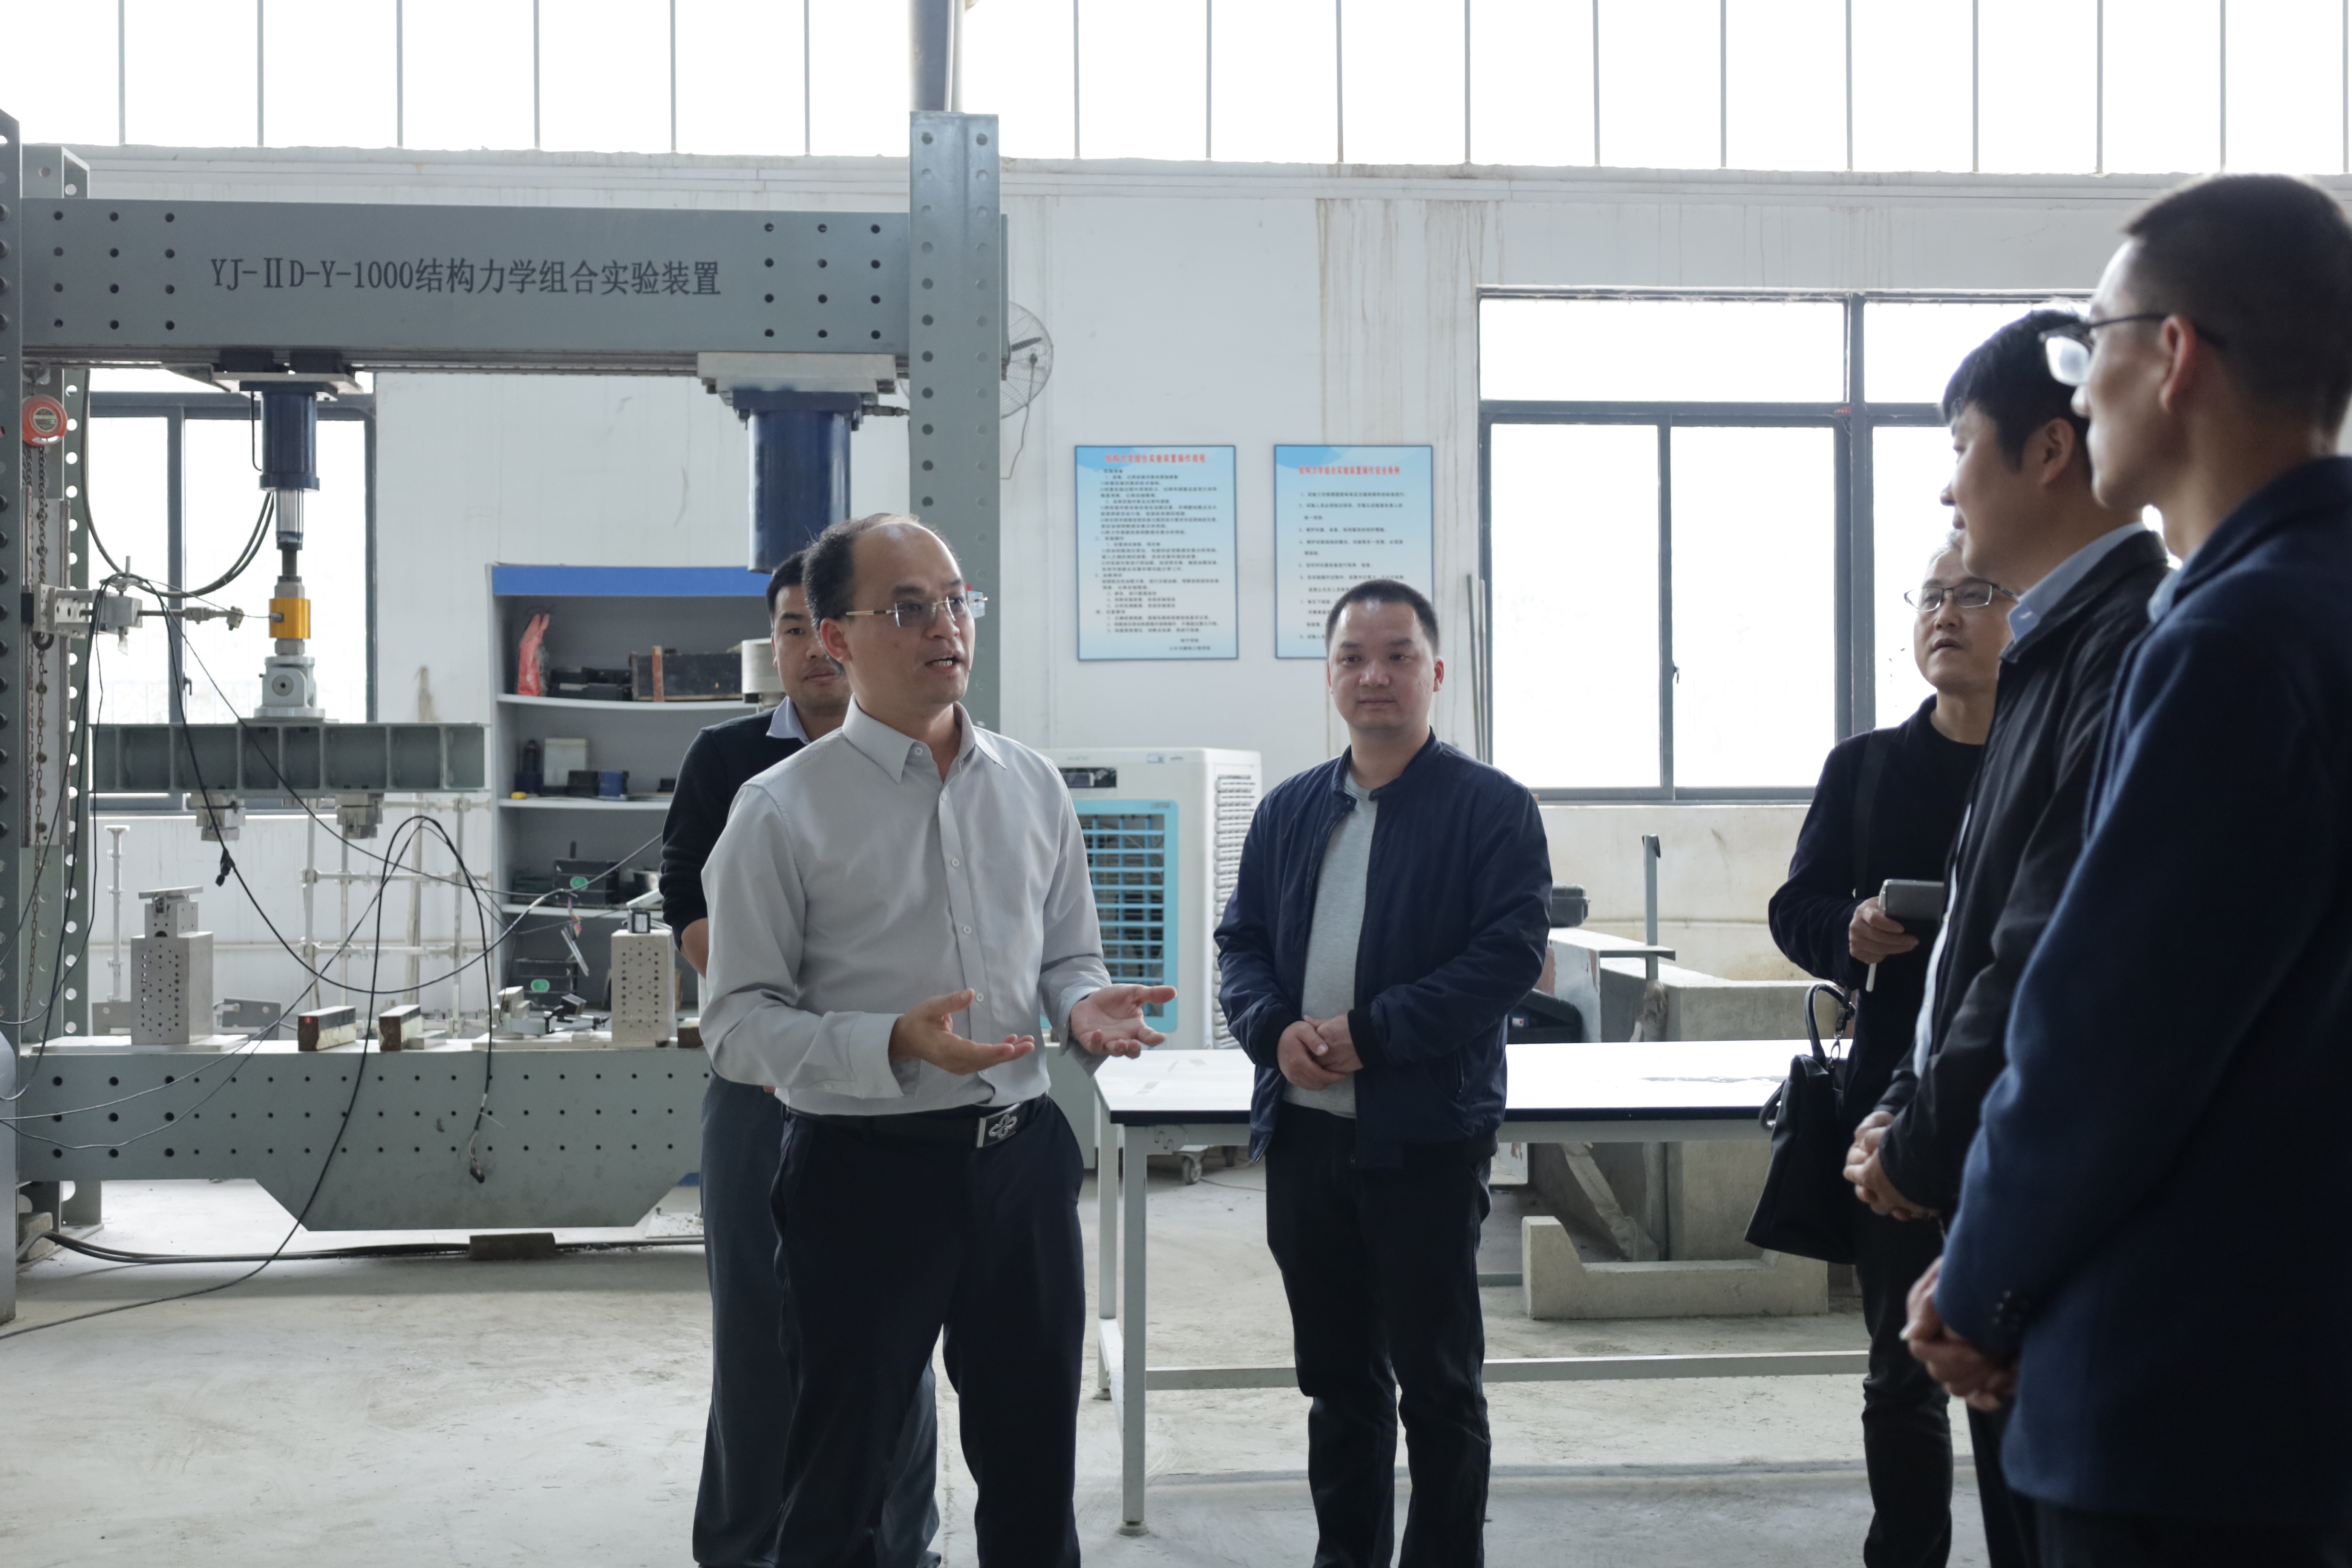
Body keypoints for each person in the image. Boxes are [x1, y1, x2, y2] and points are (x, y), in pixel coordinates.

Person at [1911, 174, 2352, 1566]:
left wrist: (1981, 1282)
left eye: (2090, 339)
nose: (2079, 381)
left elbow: (2109, 1030)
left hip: (2182, 1387)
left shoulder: (2226, 642)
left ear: (2173, 356)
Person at [700, 512, 1174, 1568]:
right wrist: (892, 1043)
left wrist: (1081, 1008)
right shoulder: (778, 811)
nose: (946, 626)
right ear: (836, 638)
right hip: (863, 1177)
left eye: (957, 602)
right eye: (909, 608)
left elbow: (1068, 955)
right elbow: (735, 1025)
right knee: (842, 1484)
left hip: (1021, 1165)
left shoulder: (1032, 784)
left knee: (1033, 1472)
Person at [1839, 311, 2167, 1568]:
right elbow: (1979, 943)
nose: (1947, 487)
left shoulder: (2137, 647)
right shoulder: (2052, 656)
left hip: (2068, 1215)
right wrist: (1910, 1109)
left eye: (1960, 447)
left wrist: (1925, 1149)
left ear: (2045, 452)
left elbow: (2050, 956)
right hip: (1988, 1176)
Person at [1214, 579, 1553, 1568]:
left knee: (1439, 1389)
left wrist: (1376, 1034)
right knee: (1338, 1385)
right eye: (1353, 657)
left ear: (1435, 672)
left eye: (1398, 655)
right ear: (1329, 677)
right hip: (1306, 1138)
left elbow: (1506, 957)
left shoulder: (1491, 809)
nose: (1375, 675)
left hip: (1426, 1142)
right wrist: (1271, 1031)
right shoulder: (1288, 811)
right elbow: (1242, 946)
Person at [657, 550, 941, 1568]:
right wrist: (789, 1017)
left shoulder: (920, 755)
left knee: (894, 1333)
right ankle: (746, 1547)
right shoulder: (728, 760)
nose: (810, 649)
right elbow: (691, 908)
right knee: (756, 1328)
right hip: (762, 1084)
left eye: (821, 627)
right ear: (782, 645)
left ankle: (902, 1545)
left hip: (895, 1088)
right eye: (787, 629)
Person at [1767, 536, 2007, 1568]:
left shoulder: (2058, 754)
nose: (1945, 614)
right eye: (1931, 597)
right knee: (1900, 1371)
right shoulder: (1865, 768)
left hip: (2022, 1103)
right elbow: (1796, 906)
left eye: (1975, 594)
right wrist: (1850, 930)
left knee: (2012, 1367)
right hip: (1890, 1111)